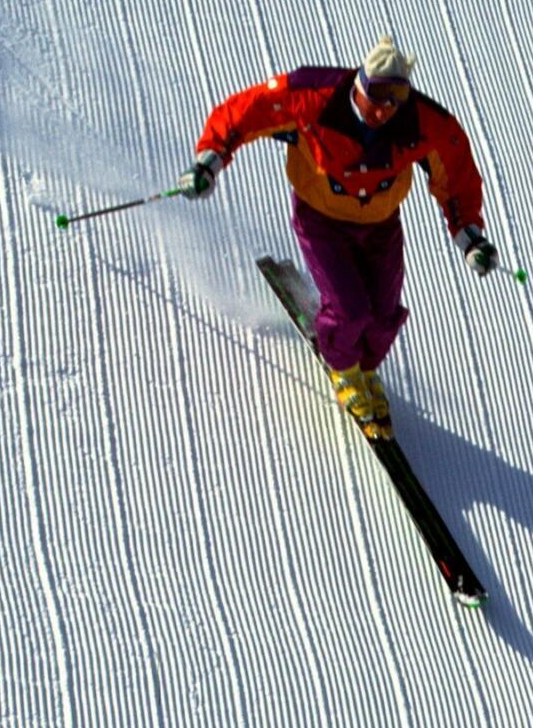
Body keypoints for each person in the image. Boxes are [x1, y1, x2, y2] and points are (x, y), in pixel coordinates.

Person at [181, 36, 498, 435]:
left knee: (383, 313)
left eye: (397, 97)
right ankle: (344, 369)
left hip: (380, 226)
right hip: (322, 220)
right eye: (378, 96)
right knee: (351, 310)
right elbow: (246, 112)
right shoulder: (313, 97)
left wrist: (469, 234)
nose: (385, 109)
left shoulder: (419, 121)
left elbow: (455, 170)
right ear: (360, 86)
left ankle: (366, 370)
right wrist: (210, 159)